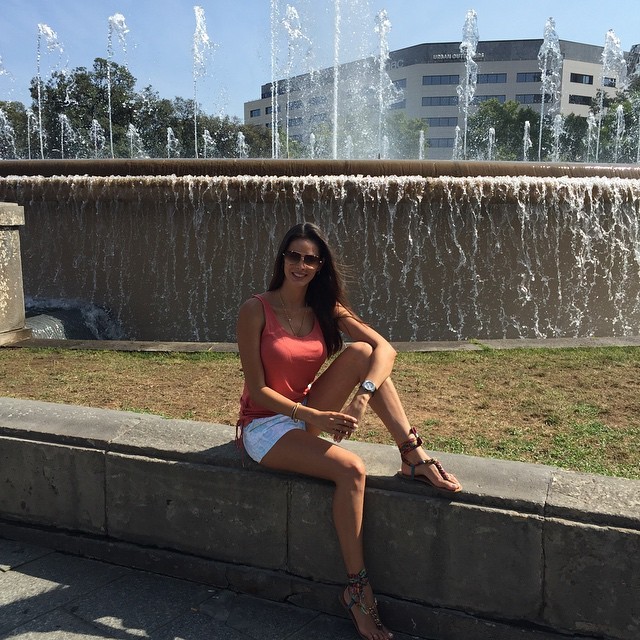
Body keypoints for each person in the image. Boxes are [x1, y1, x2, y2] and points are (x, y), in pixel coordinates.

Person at [236, 222, 461, 640]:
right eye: (293, 255)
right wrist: (316, 417)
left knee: (362, 354)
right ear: (282, 258)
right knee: (352, 469)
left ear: (320, 266)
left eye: (310, 259)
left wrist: (362, 396)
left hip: (305, 413)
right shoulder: (256, 309)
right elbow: (259, 390)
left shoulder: (326, 307)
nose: (300, 265)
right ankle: (357, 591)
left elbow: (385, 349)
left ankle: (412, 454)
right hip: (265, 425)